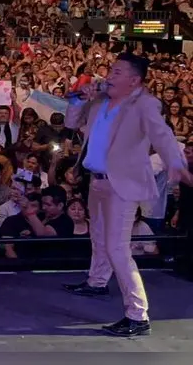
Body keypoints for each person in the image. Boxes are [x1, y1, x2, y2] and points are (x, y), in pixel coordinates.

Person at [62, 53, 192, 337]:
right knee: (98, 236)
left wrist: (176, 163)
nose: (110, 75)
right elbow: (71, 124)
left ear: (134, 80)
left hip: (122, 185)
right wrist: (77, 98)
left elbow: (162, 135)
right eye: (111, 70)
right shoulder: (98, 100)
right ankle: (97, 282)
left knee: (117, 248)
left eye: (117, 72)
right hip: (97, 181)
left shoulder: (145, 104)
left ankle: (137, 314)